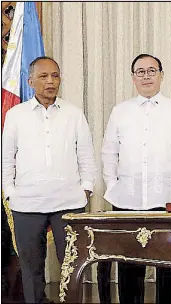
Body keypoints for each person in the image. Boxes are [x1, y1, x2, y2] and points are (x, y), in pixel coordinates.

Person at [101, 53, 171, 303]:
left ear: (161, 75)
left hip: (165, 201)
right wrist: (113, 187)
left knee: (167, 266)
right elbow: (109, 153)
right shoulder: (119, 111)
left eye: (151, 71)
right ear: (133, 78)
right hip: (126, 201)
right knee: (129, 266)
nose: (146, 76)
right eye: (140, 72)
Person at [2, 56, 96, 303]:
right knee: (31, 268)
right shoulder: (15, 115)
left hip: (68, 204)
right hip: (26, 204)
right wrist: (10, 191)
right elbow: (6, 158)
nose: (50, 81)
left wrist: (86, 189)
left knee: (73, 266)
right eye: (43, 76)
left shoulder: (74, 114)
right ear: (30, 80)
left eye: (55, 76)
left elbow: (86, 155)